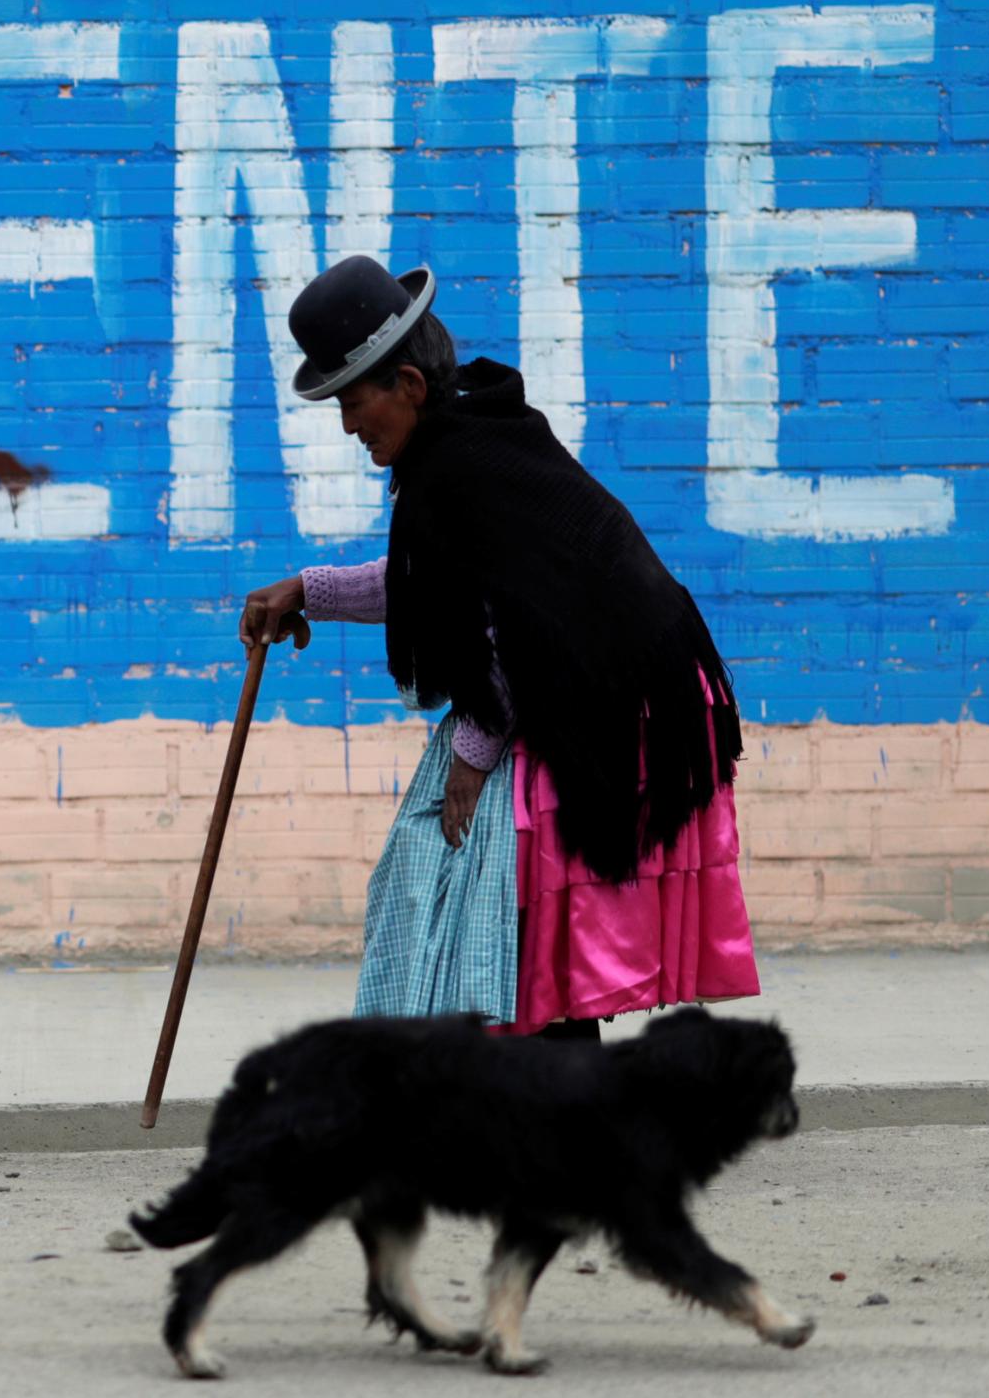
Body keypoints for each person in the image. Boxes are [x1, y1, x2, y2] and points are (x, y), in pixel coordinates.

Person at [239, 256, 758, 1039]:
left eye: (353, 402)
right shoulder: (473, 435)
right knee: (511, 904)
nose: (348, 425)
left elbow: (511, 628)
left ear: (408, 386)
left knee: (497, 872)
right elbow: (445, 584)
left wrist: (473, 759)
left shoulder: (457, 468)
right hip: (610, 684)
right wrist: (310, 589)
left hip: (625, 699)